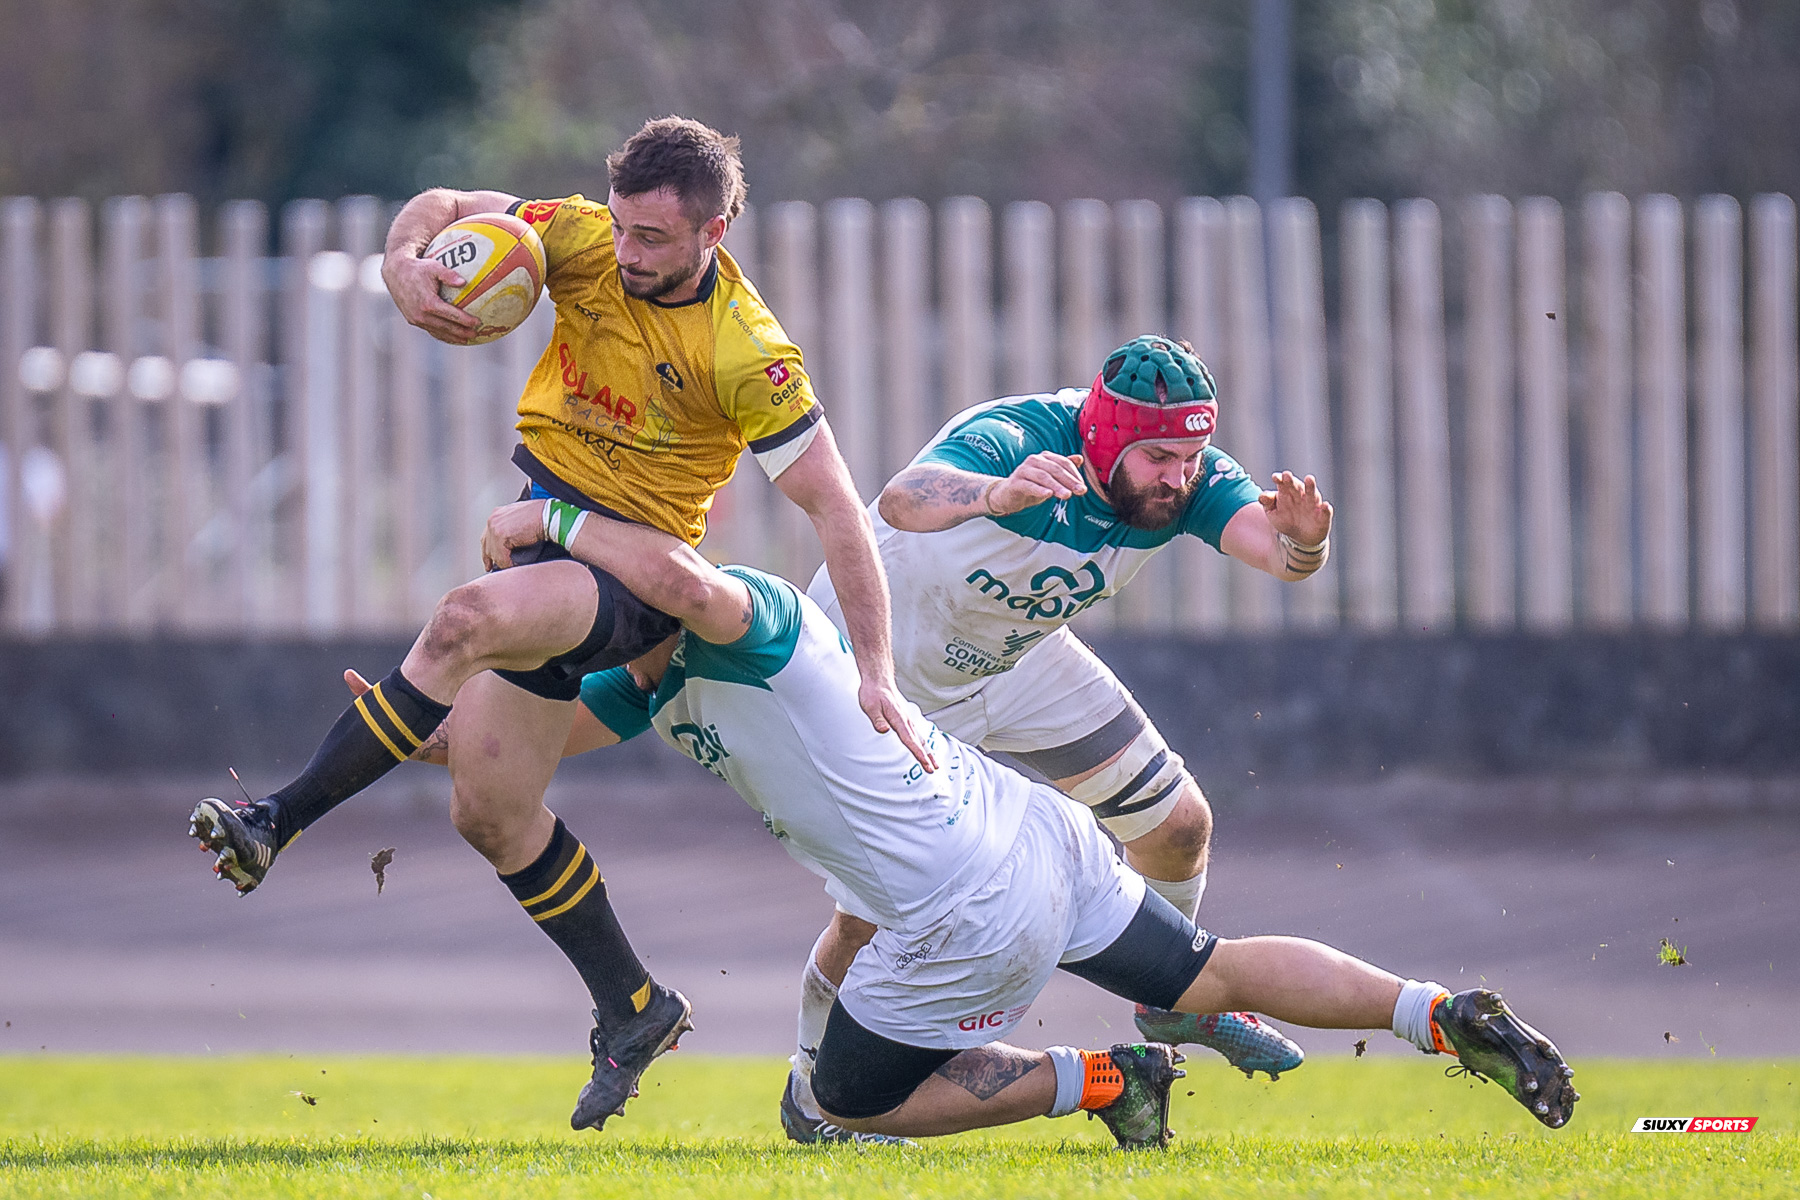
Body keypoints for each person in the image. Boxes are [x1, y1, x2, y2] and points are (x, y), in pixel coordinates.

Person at [188, 115, 928, 1131]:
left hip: (633, 574)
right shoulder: (579, 238)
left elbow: (839, 507)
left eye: (652, 238)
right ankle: (635, 1006)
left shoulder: (748, 350)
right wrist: (403, 262)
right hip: (543, 542)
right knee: (491, 812)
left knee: (462, 621)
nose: (626, 252)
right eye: (621, 226)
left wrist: (877, 671)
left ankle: (273, 821)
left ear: (714, 231)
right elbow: (448, 204)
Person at [447, 495, 1580, 1144]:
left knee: (838, 1104)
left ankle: (1106, 1080)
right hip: (1033, 834)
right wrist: (420, 718)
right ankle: (1437, 1012)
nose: (570, 637)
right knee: (1210, 970)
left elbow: (687, 588)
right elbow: (526, 748)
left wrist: (556, 515)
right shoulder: (638, 684)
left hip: (963, 908)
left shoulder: (746, 615)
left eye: (574, 617)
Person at [783, 334, 1331, 1129]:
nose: (1177, 478)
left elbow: (1279, 556)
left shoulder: (1188, 479)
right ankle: (809, 1092)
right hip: (884, 679)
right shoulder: (1019, 433)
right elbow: (902, 499)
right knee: (867, 919)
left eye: (1190, 457)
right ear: (1103, 437)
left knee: (1179, 825)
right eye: (1158, 458)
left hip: (1013, 661)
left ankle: (1169, 999)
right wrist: (997, 495)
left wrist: (1307, 544)